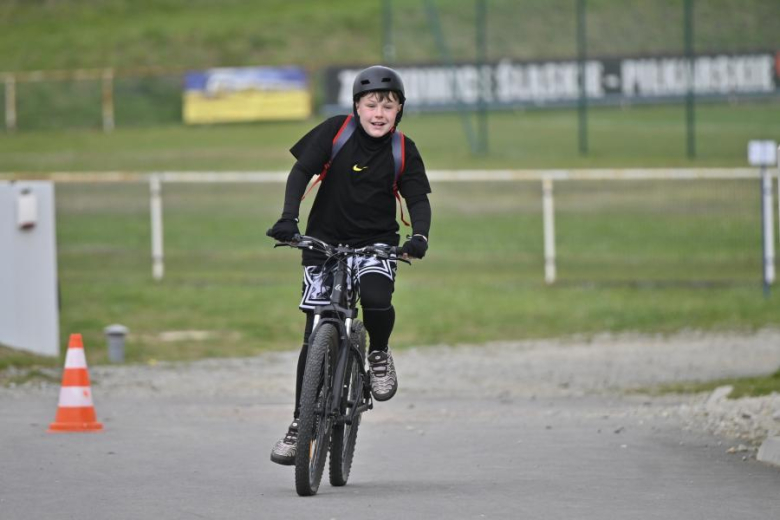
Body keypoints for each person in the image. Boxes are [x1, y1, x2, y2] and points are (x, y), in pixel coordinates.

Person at [267, 65, 432, 465]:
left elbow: (417, 201)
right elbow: (301, 170)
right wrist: (289, 218)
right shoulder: (335, 132)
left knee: (376, 296)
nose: (379, 113)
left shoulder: (403, 150)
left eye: (388, 106)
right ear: (357, 107)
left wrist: (420, 237)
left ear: (399, 111)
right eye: (371, 104)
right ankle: (298, 423)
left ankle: (377, 352)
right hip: (323, 240)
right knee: (314, 329)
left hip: (376, 244)